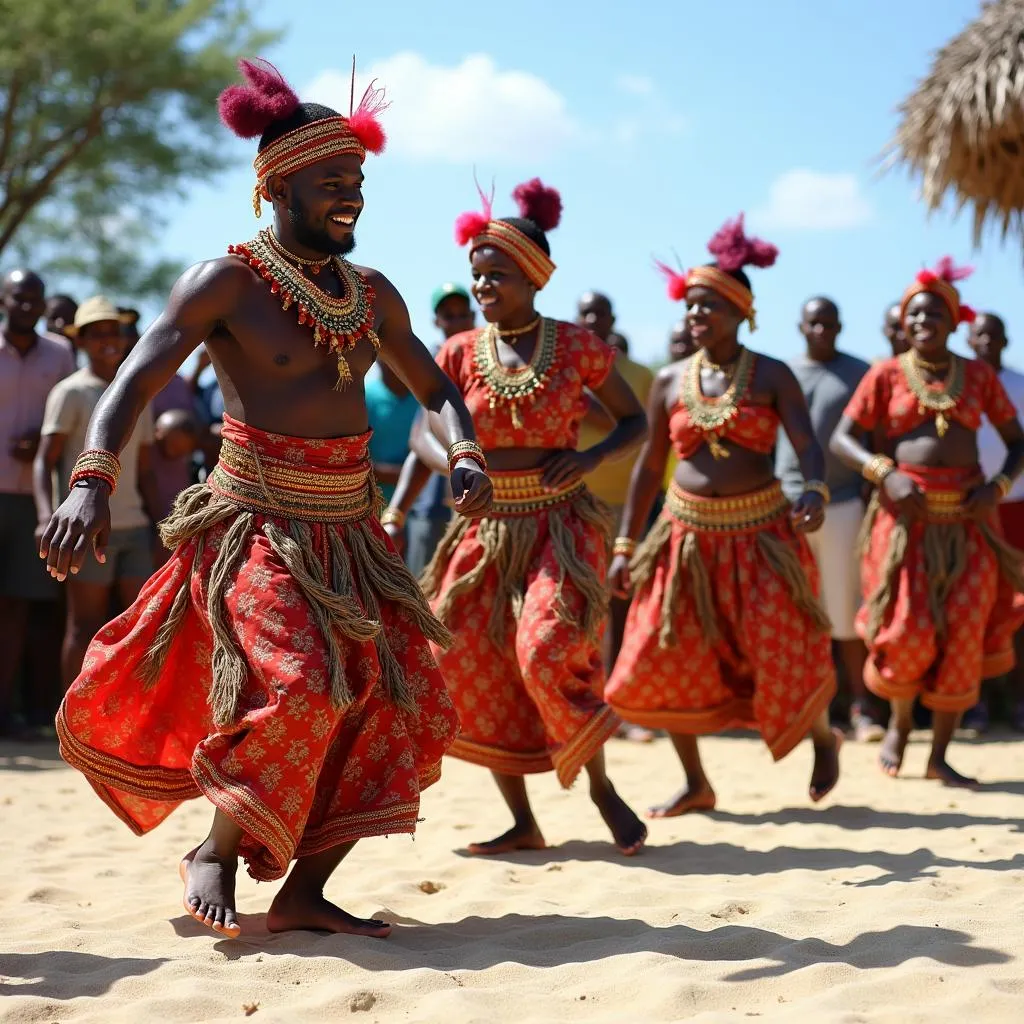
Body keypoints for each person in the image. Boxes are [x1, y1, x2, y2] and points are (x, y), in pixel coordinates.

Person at [41, 58, 490, 939]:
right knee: (302, 691)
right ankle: (215, 846)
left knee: (403, 703)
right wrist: (91, 481)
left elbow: (434, 388)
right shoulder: (227, 281)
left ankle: (304, 889)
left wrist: (465, 450)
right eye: (332, 180)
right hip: (257, 528)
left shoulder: (373, 295)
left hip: (352, 530)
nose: (350, 195)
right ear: (278, 184)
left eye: (356, 180)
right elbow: (132, 380)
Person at [387, 178, 649, 857]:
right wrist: (458, 460)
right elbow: (423, 433)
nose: (483, 287)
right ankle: (523, 820)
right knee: (475, 661)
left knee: (544, 649)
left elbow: (635, 420)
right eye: (478, 275)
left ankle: (597, 784)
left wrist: (589, 459)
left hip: (560, 525)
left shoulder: (578, 347)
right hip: (483, 526)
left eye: (496, 274)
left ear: (534, 277)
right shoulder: (456, 353)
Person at [605, 216, 842, 817]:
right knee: (667, 650)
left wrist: (812, 487)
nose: (695, 317)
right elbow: (647, 466)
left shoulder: (771, 374)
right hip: (683, 534)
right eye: (690, 307)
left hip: (762, 534)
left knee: (783, 644)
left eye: (708, 306)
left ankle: (821, 736)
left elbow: (806, 441)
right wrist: (626, 545)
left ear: (742, 312)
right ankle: (695, 780)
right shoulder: (666, 381)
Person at [831, 259, 1024, 786]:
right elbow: (842, 439)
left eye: (934, 313)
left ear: (954, 320)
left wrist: (997, 488)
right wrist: (883, 472)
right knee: (908, 629)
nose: (922, 321)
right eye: (914, 313)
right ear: (903, 320)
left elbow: (1017, 443)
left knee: (963, 630)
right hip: (904, 525)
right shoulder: (885, 374)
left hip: (968, 525)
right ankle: (897, 724)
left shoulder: (979, 376)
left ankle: (940, 753)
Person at [35, 296, 160, 687]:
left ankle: (124, 729)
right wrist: (45, 516)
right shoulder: (70, 392)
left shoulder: (139, 393)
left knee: (139, 626)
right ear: (82, 342)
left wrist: (162, 524)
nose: (109, 339)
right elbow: (45, 460)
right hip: (85, 530)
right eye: (96, 333)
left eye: (114, 331)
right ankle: (69, 726)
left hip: (135, 526)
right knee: (84, 624)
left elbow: (145, 470)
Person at [776, 298, 883, 741]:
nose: (821, 329)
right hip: (783, 501)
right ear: (800, 326)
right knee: (795, 610)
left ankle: (861, 707)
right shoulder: (782, 373)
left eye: (828, 322)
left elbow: (874, 432)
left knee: (845, 605)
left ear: (840, 326)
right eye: (813, 322)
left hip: (840, 502)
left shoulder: (861, 372)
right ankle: (809, 709)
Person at [575, 291, 656, 740]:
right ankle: (586, 703)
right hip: (572, 505)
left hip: (628, 507)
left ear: (612, 320)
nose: (590, 320)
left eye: (598, 314)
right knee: (581, 606)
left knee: (621, 605)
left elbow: (645, 432)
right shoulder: (563, 368)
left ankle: (621, 705)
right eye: (583, 313)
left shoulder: (641, 375)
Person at [0, 269, 75, 735]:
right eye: (19, 299)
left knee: (18, 609)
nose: (27, 307)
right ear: (3, 300)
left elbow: (64, 420)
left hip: (35, 500)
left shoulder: (61, 353)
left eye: (35, 300)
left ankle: (6, 711)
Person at [964, 312, 1024, 731]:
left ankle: (1018, 701)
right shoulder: (956, 385)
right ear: (968, 340)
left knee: (1017, 609)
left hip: (1015, 509)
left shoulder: (1021, 385)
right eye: (978, 334)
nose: (986, 341)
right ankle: (974, 701)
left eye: (993, 335)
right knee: (973, 606)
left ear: (1005, 340)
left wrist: (1000, 488)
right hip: (967, 510)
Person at [397, 285, 477, 576]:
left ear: (474, 316)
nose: (456, 323)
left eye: (462, 315)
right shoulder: (430, 367)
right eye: (448, 316)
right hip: (433, 508)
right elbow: (420, 437)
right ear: (437, 322)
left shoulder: (485, 361)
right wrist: (461, 465)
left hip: (487, 508)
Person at [365, 363, 420, 503]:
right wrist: (383, 472)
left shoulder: (422, 399)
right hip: (371, 498)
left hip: (418, 499)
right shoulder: (366, 396)